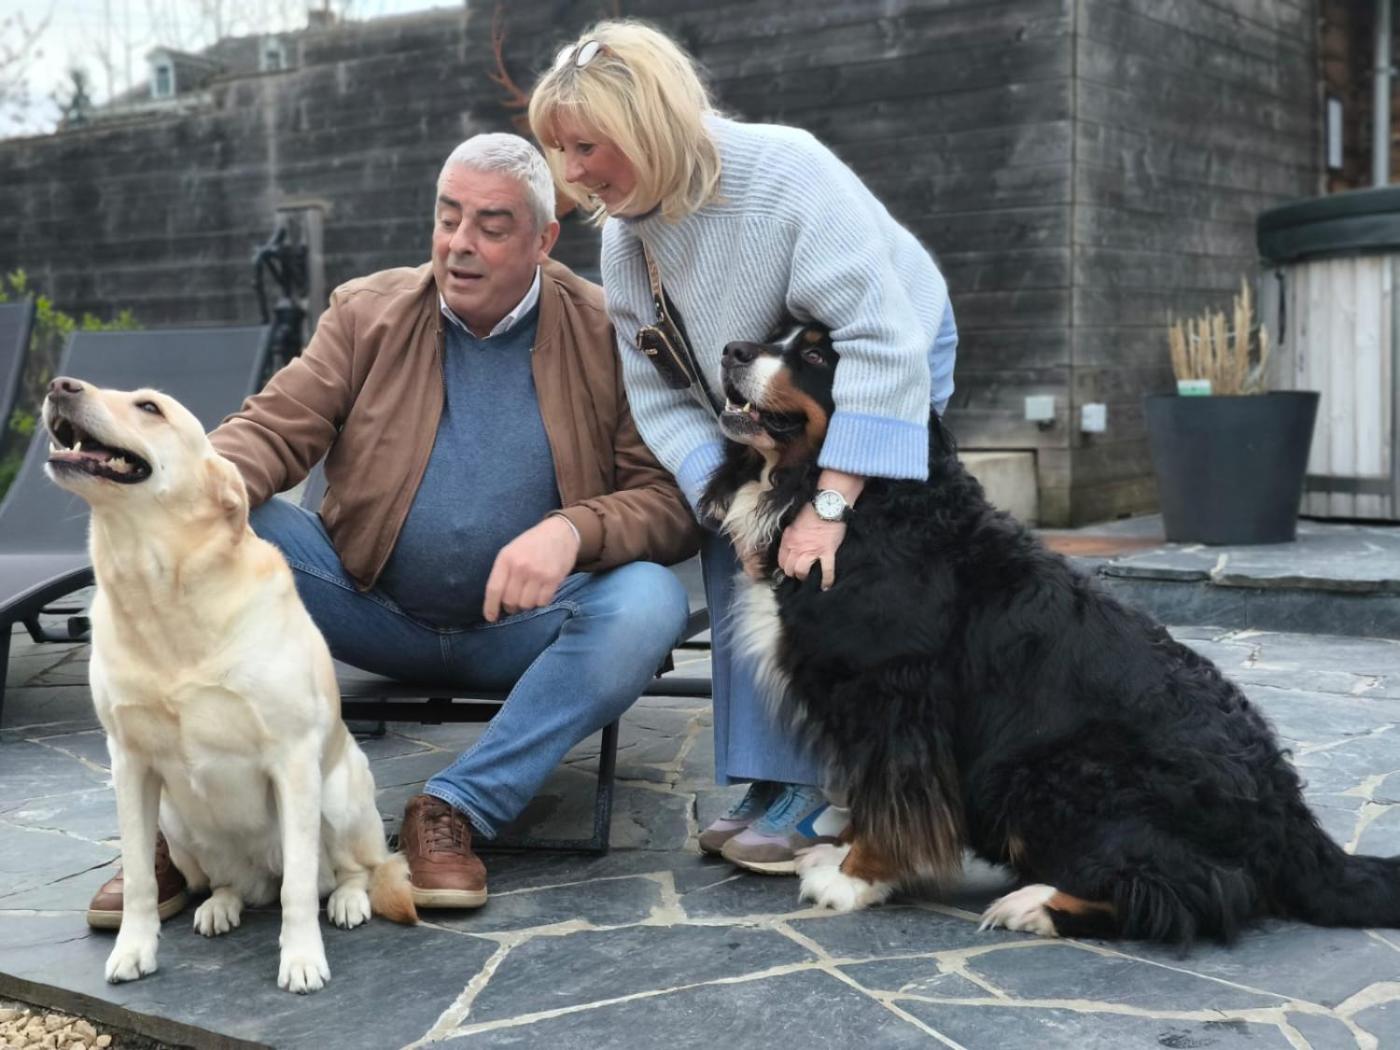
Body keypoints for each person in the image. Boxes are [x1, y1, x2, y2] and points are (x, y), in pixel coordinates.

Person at [83, 132, 698, 929]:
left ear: (544, 240)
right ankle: (179, 833)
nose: (460, 243)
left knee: (650, 601)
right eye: (448, 218)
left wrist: (574, 532)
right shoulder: (367, 312)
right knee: (236, 519)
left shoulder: (604, 329)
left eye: (491, 225)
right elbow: (272, 428)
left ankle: (457, 805)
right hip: (362, 603)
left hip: (528, 628)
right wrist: (193, 492)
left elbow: (665, 499)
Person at [529, 22, 959, 876]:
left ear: (646, 126)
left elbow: (880, 342)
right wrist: (729, 509)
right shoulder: (625, 237)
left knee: (835, 558)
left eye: (586, 147)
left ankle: (830, 782)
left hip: (887, 354)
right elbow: (657, 393)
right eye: (560, 149)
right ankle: (771, 777)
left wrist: (831, 505)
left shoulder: (787, 173)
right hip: (749, 391)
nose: (571, 173)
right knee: (751, 542)